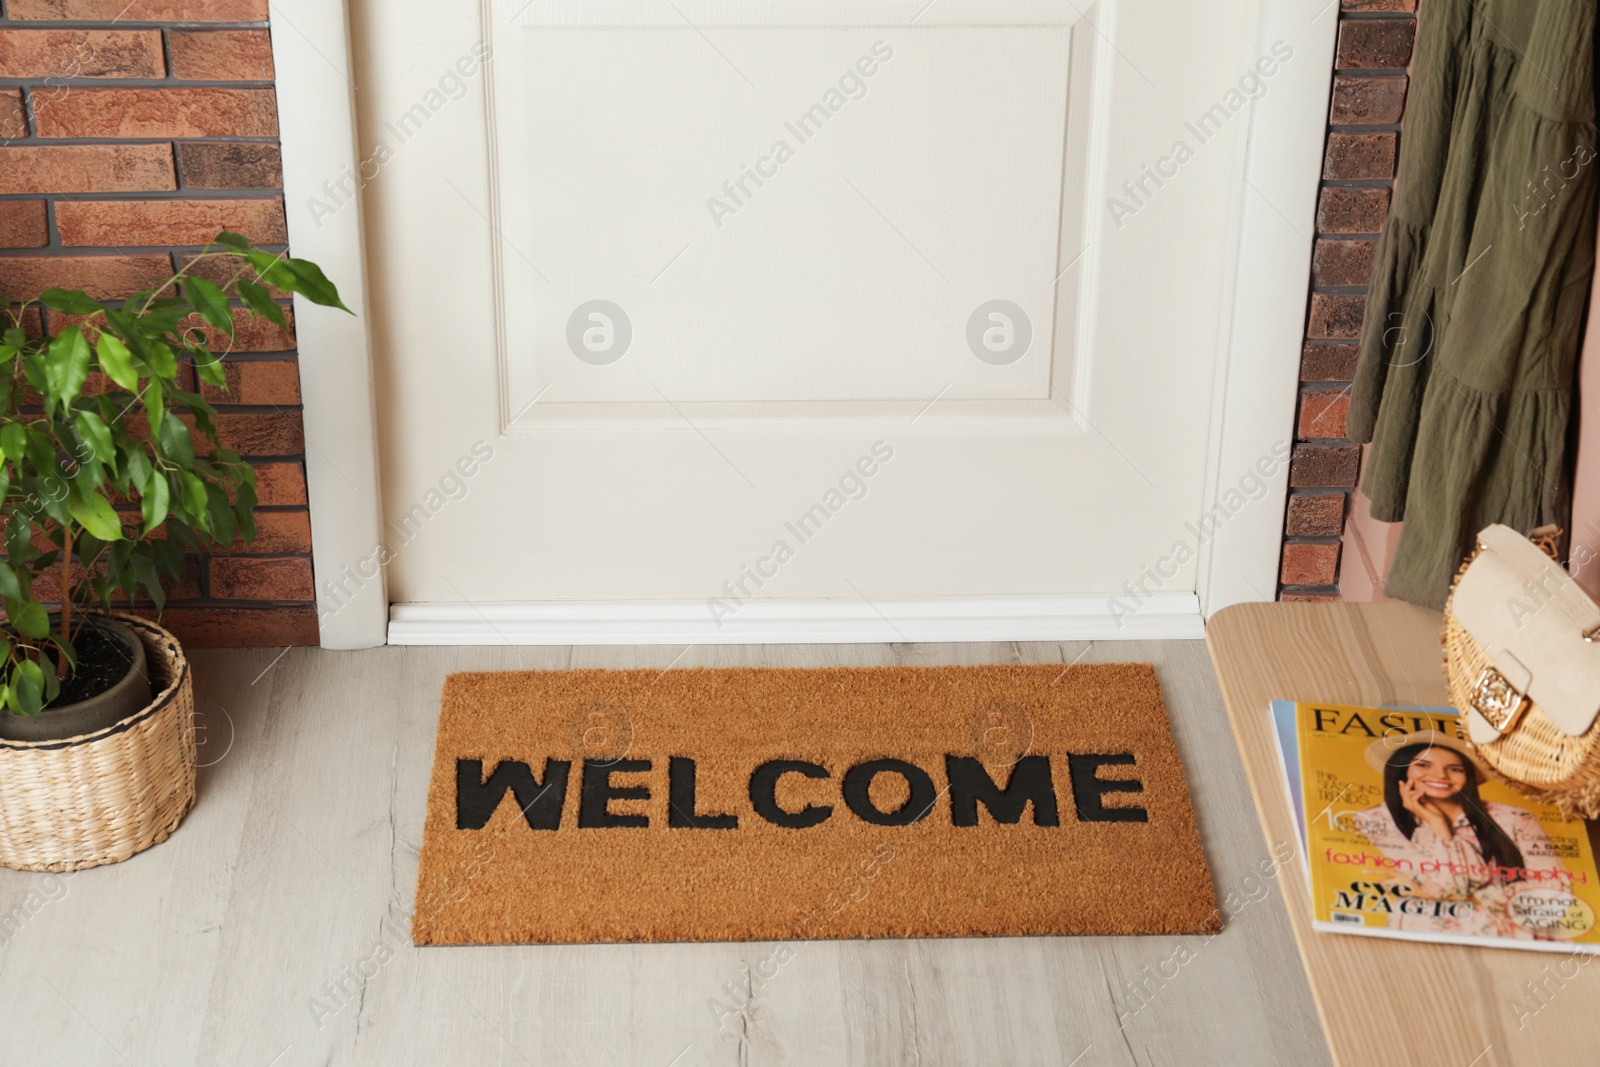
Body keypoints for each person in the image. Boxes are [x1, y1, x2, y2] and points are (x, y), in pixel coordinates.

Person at [1351, 730, 1566, 938]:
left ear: (1468, 776)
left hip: (1502, 934)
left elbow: (1556, 888)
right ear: (1401, 770)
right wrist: (1439, 825)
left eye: (1455, 769)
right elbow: (1447, 885)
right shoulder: (1377, 820)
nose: (1440, 775)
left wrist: (1471, 898)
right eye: (1423, 765)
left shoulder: (1516, 819)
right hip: (1418, 929)